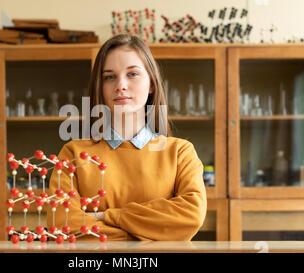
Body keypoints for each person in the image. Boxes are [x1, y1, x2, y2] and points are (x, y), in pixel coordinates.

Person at [46, 34, 206, 241]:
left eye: (132, 74)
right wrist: (153, 231)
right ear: (100, 87)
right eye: (109, 77)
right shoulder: (73, 154)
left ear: (151, 85)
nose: (120, 85)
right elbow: (63, 225)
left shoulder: (180, 153)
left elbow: (191, 216)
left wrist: (106, 216)